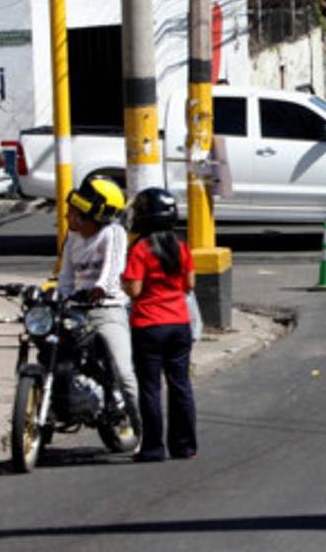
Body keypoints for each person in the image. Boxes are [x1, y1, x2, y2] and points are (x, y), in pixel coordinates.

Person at [121, 188, 197, 462]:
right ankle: (185, 446)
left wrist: (124, 283)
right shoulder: (181, 246)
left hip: (149, 325)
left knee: (150, 388)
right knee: (180, 385)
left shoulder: (141, 249)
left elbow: (134, 289)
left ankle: (153, 448)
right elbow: (189, 284)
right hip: (179, 323)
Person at [57, 176, 138, 423]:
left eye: (73, 211)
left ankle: (144, 427)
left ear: (89, 216)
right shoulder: (72, 238)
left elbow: (112, 272)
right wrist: (59, 298)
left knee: (124, 373)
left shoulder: (113, 233)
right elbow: (65, 278)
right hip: (76, 310)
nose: (67, 215)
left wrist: (99, 289)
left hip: (108, 309)